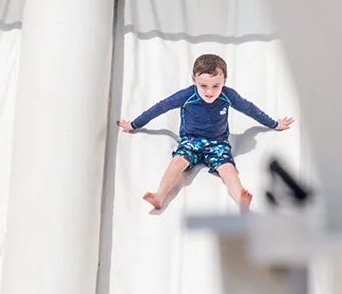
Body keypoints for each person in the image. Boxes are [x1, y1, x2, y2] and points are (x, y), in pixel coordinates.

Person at [117, 53, 293, 212]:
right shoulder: (186, 96)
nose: (210, 92)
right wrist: (134, 124)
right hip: (190, 141)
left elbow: (250, 109)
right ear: (194, 80)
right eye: (203, 86)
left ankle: (240, 198)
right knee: (177, 162)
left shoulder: (228, 95)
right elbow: (160, 107)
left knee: (228, 169)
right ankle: (160, 195)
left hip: (218, 143)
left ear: (225, 81)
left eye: (216, 86)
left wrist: (274, 124)